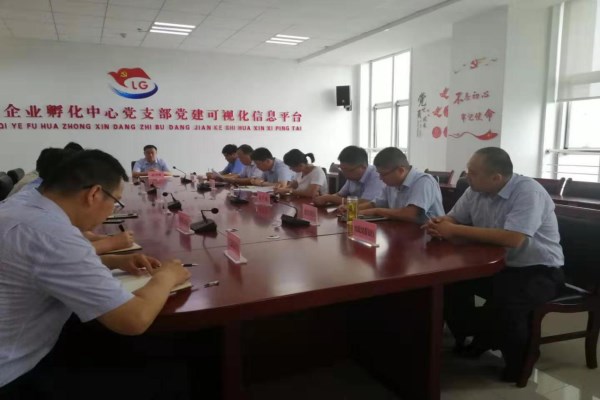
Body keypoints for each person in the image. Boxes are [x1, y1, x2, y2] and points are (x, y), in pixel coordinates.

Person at [0, 149, 192, 399]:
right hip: (15, 372)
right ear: (94, 194)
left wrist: (112, 261)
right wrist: (167, 276)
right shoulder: (53, 234)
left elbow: (41, 266)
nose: (111, 211)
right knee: (172, 377)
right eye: (115, 201)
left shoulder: (23, 204)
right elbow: (133, 320)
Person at [422, 147, 564, 382]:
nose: (467, 176)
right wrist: (439, 222)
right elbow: (455, 217)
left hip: (538, 270)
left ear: (496, 178)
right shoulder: (475, 190)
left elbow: (513, 238)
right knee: (448, 288)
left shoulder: (528, 192)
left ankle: (520, 363)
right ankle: (480, 337)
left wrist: (454, 230)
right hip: (496, 266)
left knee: (507, 303)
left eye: (473, 172)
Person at [356, 147, 444, 223]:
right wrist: (353, 210)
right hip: (402, 231)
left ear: (401, 170)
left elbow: (411, 214)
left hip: (428, 234)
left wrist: (377, 211)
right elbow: (376, 204)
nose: (380, 178)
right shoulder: (391, 184)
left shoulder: (424, 181)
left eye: (383, 174)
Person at [313, 146, 384, 207]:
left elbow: (366, 203)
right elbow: (340, 195)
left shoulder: (377, 175)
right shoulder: (351, 176)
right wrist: (323, 199)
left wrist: (329, 198)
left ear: (363, 167)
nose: (345, 174)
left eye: (347, 170)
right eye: (342, 169)